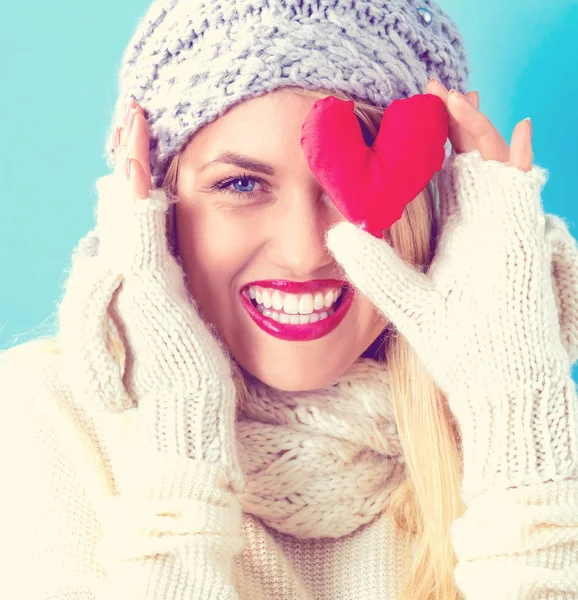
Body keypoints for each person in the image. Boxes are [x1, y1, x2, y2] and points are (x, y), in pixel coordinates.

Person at [1, 0, 578, 598]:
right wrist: (178, 446)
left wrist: (519, 432)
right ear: (152, 210)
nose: (305, 252)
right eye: (242, 185)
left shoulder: (529, 434)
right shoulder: (40, 421)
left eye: (339, 187)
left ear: (427, 210)